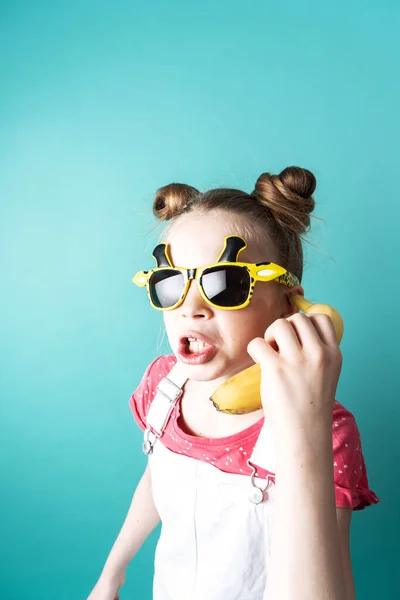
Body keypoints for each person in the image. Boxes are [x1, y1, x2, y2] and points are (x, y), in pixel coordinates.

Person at [87, 166, 379, 600]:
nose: (191, 307)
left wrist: (303, 431)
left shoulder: (327, 431)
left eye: (225, 283)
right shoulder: (165, 386)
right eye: (170, 284)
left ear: (290, 302)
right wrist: (112, 574)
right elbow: (159, 479)